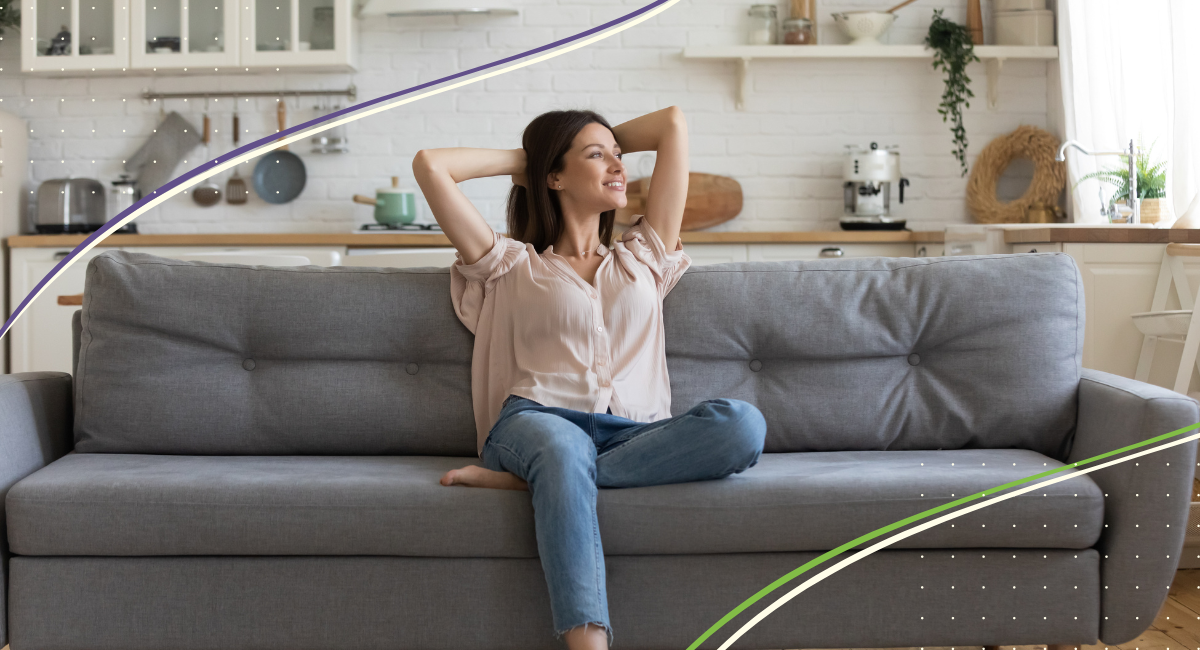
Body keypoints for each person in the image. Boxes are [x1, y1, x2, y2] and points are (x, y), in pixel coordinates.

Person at [411, 106, 767, 650]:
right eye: (597, 156)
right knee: (561, 447)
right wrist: (533, 159)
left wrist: (591, 146)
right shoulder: (508, 265)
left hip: (632, 432)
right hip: (536, 420)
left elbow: (672, 124)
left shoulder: (644, 258)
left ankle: (547, 482)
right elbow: (431, 165)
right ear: (553, 177)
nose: (618, 165)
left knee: (742, 425)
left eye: (619, 155)